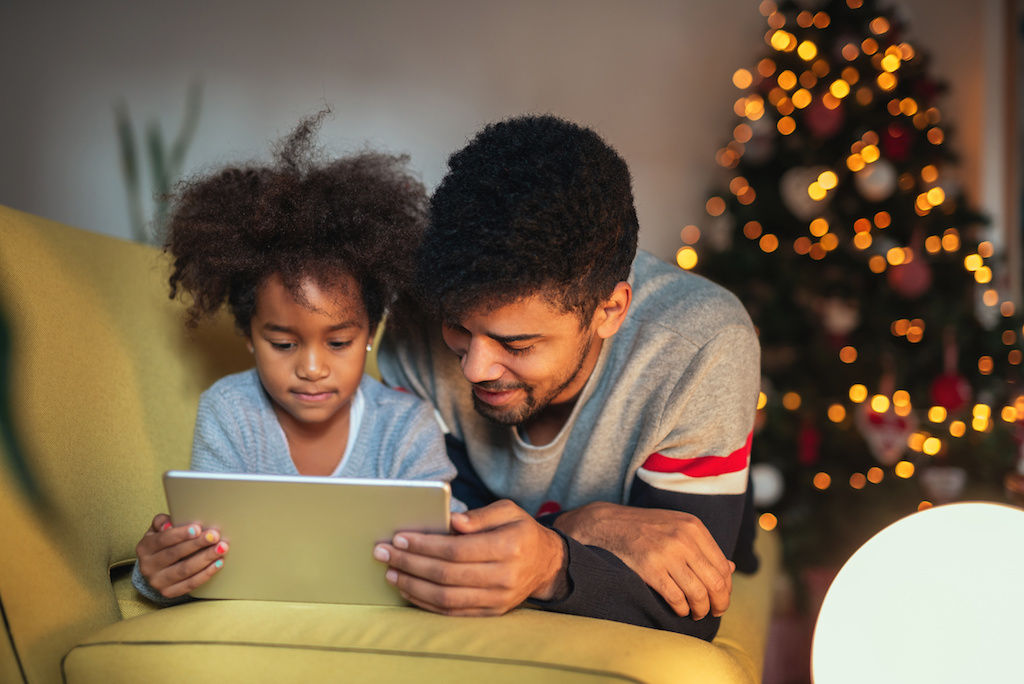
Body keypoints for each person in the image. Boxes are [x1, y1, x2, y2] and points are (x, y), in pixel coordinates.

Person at [373, 115, 760, 639]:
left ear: (609, 311)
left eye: (517, 344)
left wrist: (551, 562)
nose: (474, 367)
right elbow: (433, 543)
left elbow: (692, 607)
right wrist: (580, 531)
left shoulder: (701, 347)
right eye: (459, 328)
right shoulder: (414, 320)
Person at [133, 113, 463, 605]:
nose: (311, 368)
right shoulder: (230, 411)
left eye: (338, 342)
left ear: (370, 334)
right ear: (248, 334)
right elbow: (200, 553)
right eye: (284, 344)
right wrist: (158, 574)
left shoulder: (406, 426)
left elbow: (453, 546)